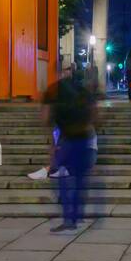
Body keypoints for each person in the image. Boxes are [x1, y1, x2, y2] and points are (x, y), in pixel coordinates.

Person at [49, 76, 97, 233]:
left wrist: (53, 158)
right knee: (79, 180)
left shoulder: (60, 105)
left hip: (70, 144)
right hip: (86, 144)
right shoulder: (83, 100)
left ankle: (70, 218)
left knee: (64, 179)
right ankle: (76, 215)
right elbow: (94, 116)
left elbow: (55, 132)